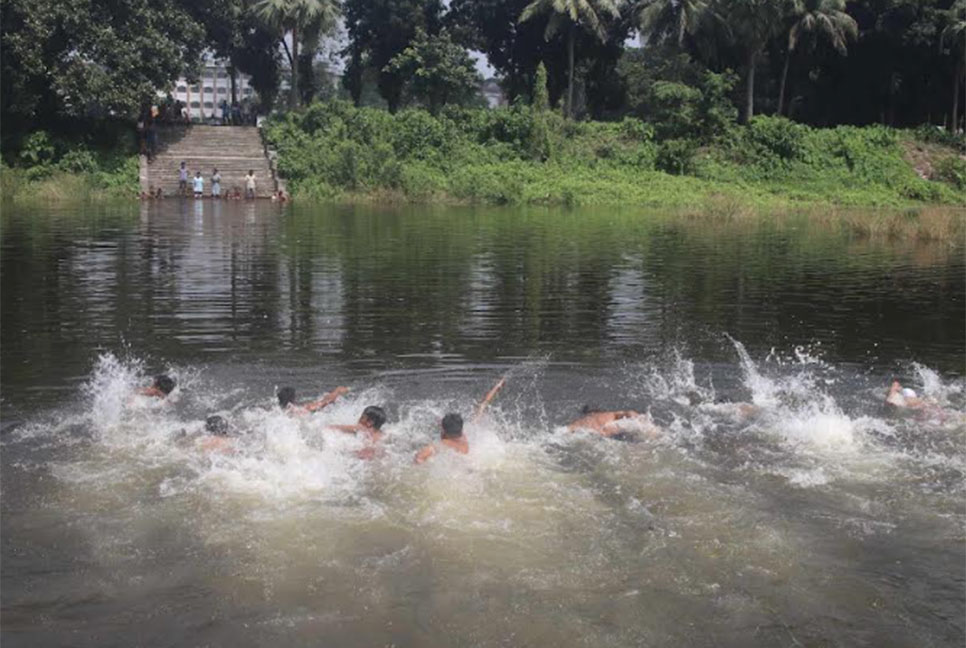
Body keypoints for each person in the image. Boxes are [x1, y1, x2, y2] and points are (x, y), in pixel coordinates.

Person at [415, 377, 506, 464]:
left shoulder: (442, 445)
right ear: (461, 428)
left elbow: (419, 458)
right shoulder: (470, 431)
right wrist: (497, 386)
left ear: (443, 429)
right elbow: (483, 405)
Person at [567, 405, 661, 440]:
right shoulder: (609, 415)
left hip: (585, 434)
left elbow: (566, 431)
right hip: (609, 430)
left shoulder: (579, 422)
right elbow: (629, 413)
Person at [277, 385, 349, 415]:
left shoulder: (277, 413)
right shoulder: (301, 410)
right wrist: (337, 391)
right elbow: (326, 401)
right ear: (293, 398)